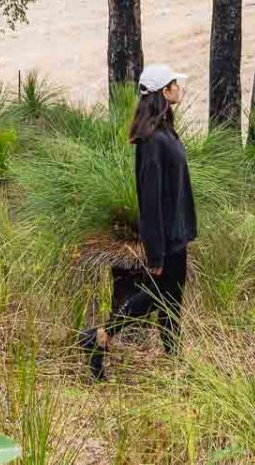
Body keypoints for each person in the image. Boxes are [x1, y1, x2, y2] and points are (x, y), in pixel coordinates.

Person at [78, 63, 197, 378]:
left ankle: (173, 360)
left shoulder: (164, 131)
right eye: (174, 83)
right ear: (163, 92)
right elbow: (150, 199)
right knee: (159, 296)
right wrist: (155, 251)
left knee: (171, 300)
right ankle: (100, 335)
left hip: (176, 232)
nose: (179, 88)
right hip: (167, 236)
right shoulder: (153, 140)